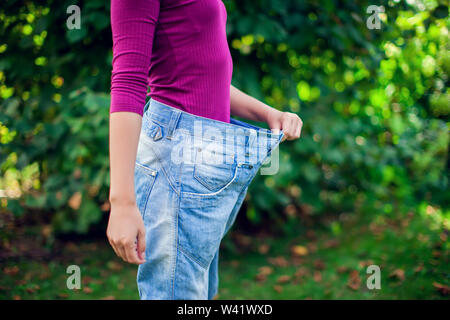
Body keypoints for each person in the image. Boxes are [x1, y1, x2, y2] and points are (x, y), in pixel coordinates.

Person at [106, 0, 302, 300]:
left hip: (204, 159)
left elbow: (205, 75)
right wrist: (121, 202)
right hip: (177, 161)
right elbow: (128, 82)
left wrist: (267, 114)